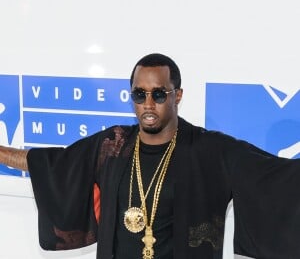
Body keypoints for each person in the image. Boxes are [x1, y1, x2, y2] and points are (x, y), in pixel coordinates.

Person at [0, 53, 299, 259]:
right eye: (139, 94)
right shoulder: (113, 144)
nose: (148, 104)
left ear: (177, 95)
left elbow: (276, 177)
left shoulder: (209, 150)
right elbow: (53, 165)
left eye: (158, 94)